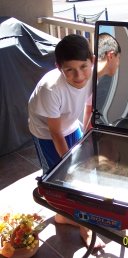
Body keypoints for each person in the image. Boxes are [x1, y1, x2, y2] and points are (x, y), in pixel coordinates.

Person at [28, 34, 105, 248]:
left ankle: (69, 219)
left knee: (85, 171)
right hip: (46, 132)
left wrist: (89, 128)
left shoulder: (90, 75)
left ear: (92, 60)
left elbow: (90, 102)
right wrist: (68, 165)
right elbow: (55, 133)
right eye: (69, 69)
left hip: (71, 125)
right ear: (59, 67)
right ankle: (75, 223)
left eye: (83, 66)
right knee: (60, 177)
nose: (78, 75)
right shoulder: (51, 89)